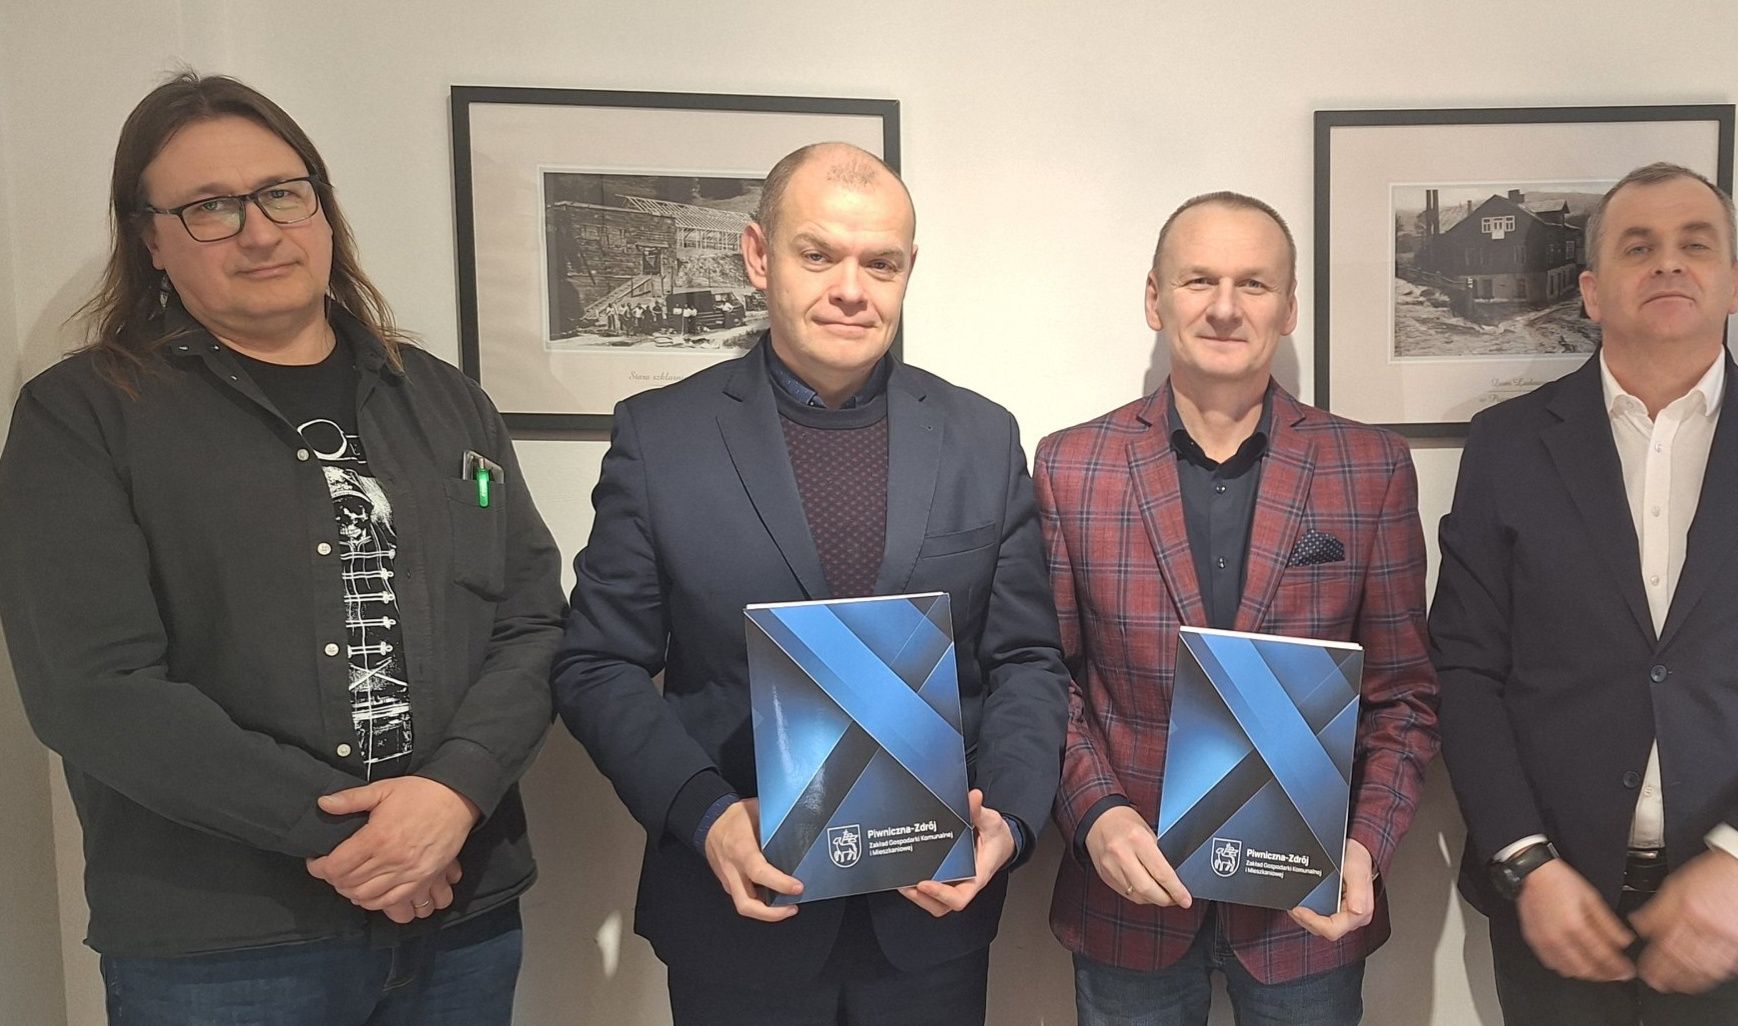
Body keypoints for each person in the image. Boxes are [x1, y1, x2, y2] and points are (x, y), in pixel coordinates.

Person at [0, 72, 562, 1024]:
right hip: (226, 944)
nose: (259, 232)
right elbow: (93, 689)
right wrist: (357, 839)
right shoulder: (82, 418)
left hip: (461, 913)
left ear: (322, 208)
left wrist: (453, 792)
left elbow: (532, 621)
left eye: (281, 193)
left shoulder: (445, 401)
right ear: (150, 239)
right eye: (209, 208)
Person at [550, 142, 1070, 1026]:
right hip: (739, 915)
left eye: (881, 263)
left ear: (908, 270)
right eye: (818, 254)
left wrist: (1012, 821)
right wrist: (704, 814)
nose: (851, 290)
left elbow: (1026, 660)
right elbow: (595, 664)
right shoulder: (661, 437)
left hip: (930, 922)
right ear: (759, 255)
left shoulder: (981, 437)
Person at [1430, 162, 1738, 1024]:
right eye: (1637, 246)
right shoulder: (1505, 446)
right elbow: (1464, 672)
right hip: (1554, 906)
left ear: (1733, 283)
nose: (1668, 263)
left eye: (1695, 244)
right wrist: (1523, 860)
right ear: (1590, 290)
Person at [1037, 192, 1440, 1025]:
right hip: (1130, 897)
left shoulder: (1369, 468)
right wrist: (1095, 815)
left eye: (1253, 284)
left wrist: (1365, 845)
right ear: (1155, 298)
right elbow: (1046, 678)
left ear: (1288, 308)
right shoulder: (1071, 466)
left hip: (1306, 910)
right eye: (1199, 280)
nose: (1224, 307)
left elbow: (1403, 695)